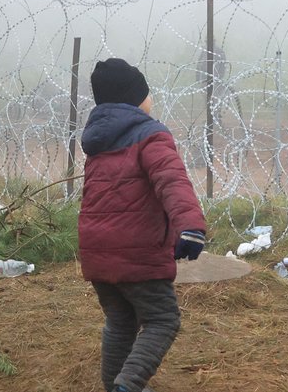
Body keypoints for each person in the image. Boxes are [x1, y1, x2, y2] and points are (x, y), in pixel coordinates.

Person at [79, 58, 207, 392]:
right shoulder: (151, 135)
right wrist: (190, 226)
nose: (151, 99)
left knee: (120, 322)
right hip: (138, 254)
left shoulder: (97, 142)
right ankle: (127, 385)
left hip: (97, 253)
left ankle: (115, 385)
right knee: (162, 320)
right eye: (146, 92)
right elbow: (172, 182)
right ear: (134, 98)